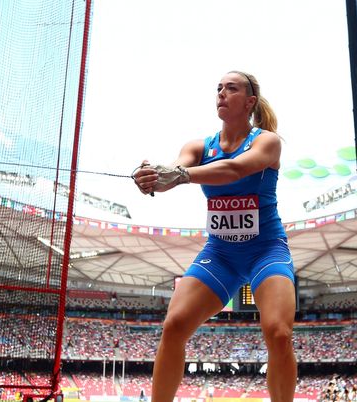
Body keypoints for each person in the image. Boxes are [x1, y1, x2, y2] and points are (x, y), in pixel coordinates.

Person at [132, 71, 296, 402]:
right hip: (220, 254)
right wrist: (154, 178)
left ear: (249, 102)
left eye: (230, 89)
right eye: (218, 88)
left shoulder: (268, 141)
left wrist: (178, 176)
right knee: (174, 325)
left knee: (278, 333)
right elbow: (176, 171)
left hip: (266, 250)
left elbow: (234, 169)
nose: (221, 93)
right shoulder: (197, 147)